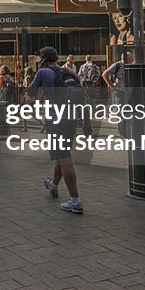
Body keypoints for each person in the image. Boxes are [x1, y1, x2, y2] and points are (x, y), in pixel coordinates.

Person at [28, 46, 84, 214]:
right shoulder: (70, 72)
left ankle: (75, 201)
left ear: (43, 60)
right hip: (72, 119)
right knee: (62, 154)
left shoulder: (43, 72)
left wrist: (38, 74)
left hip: (56, 120)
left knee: (65, 158)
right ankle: (53, 184)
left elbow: (30, 91)